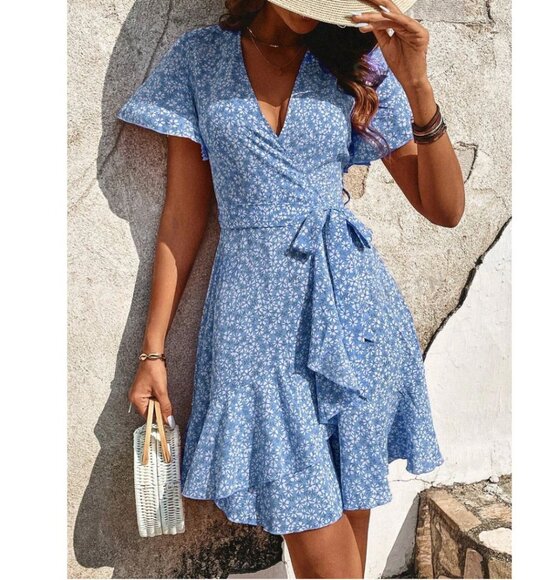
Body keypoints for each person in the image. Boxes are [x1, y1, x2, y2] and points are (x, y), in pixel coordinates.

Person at [118, 0, 464, 577]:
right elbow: (183, 215)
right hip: (252, 331)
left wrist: (418, 85)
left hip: (354, 319)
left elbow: (445, 208)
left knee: (340, 558)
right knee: (326, 553)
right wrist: (152, 350)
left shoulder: (357, 65)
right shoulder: (199, 59)